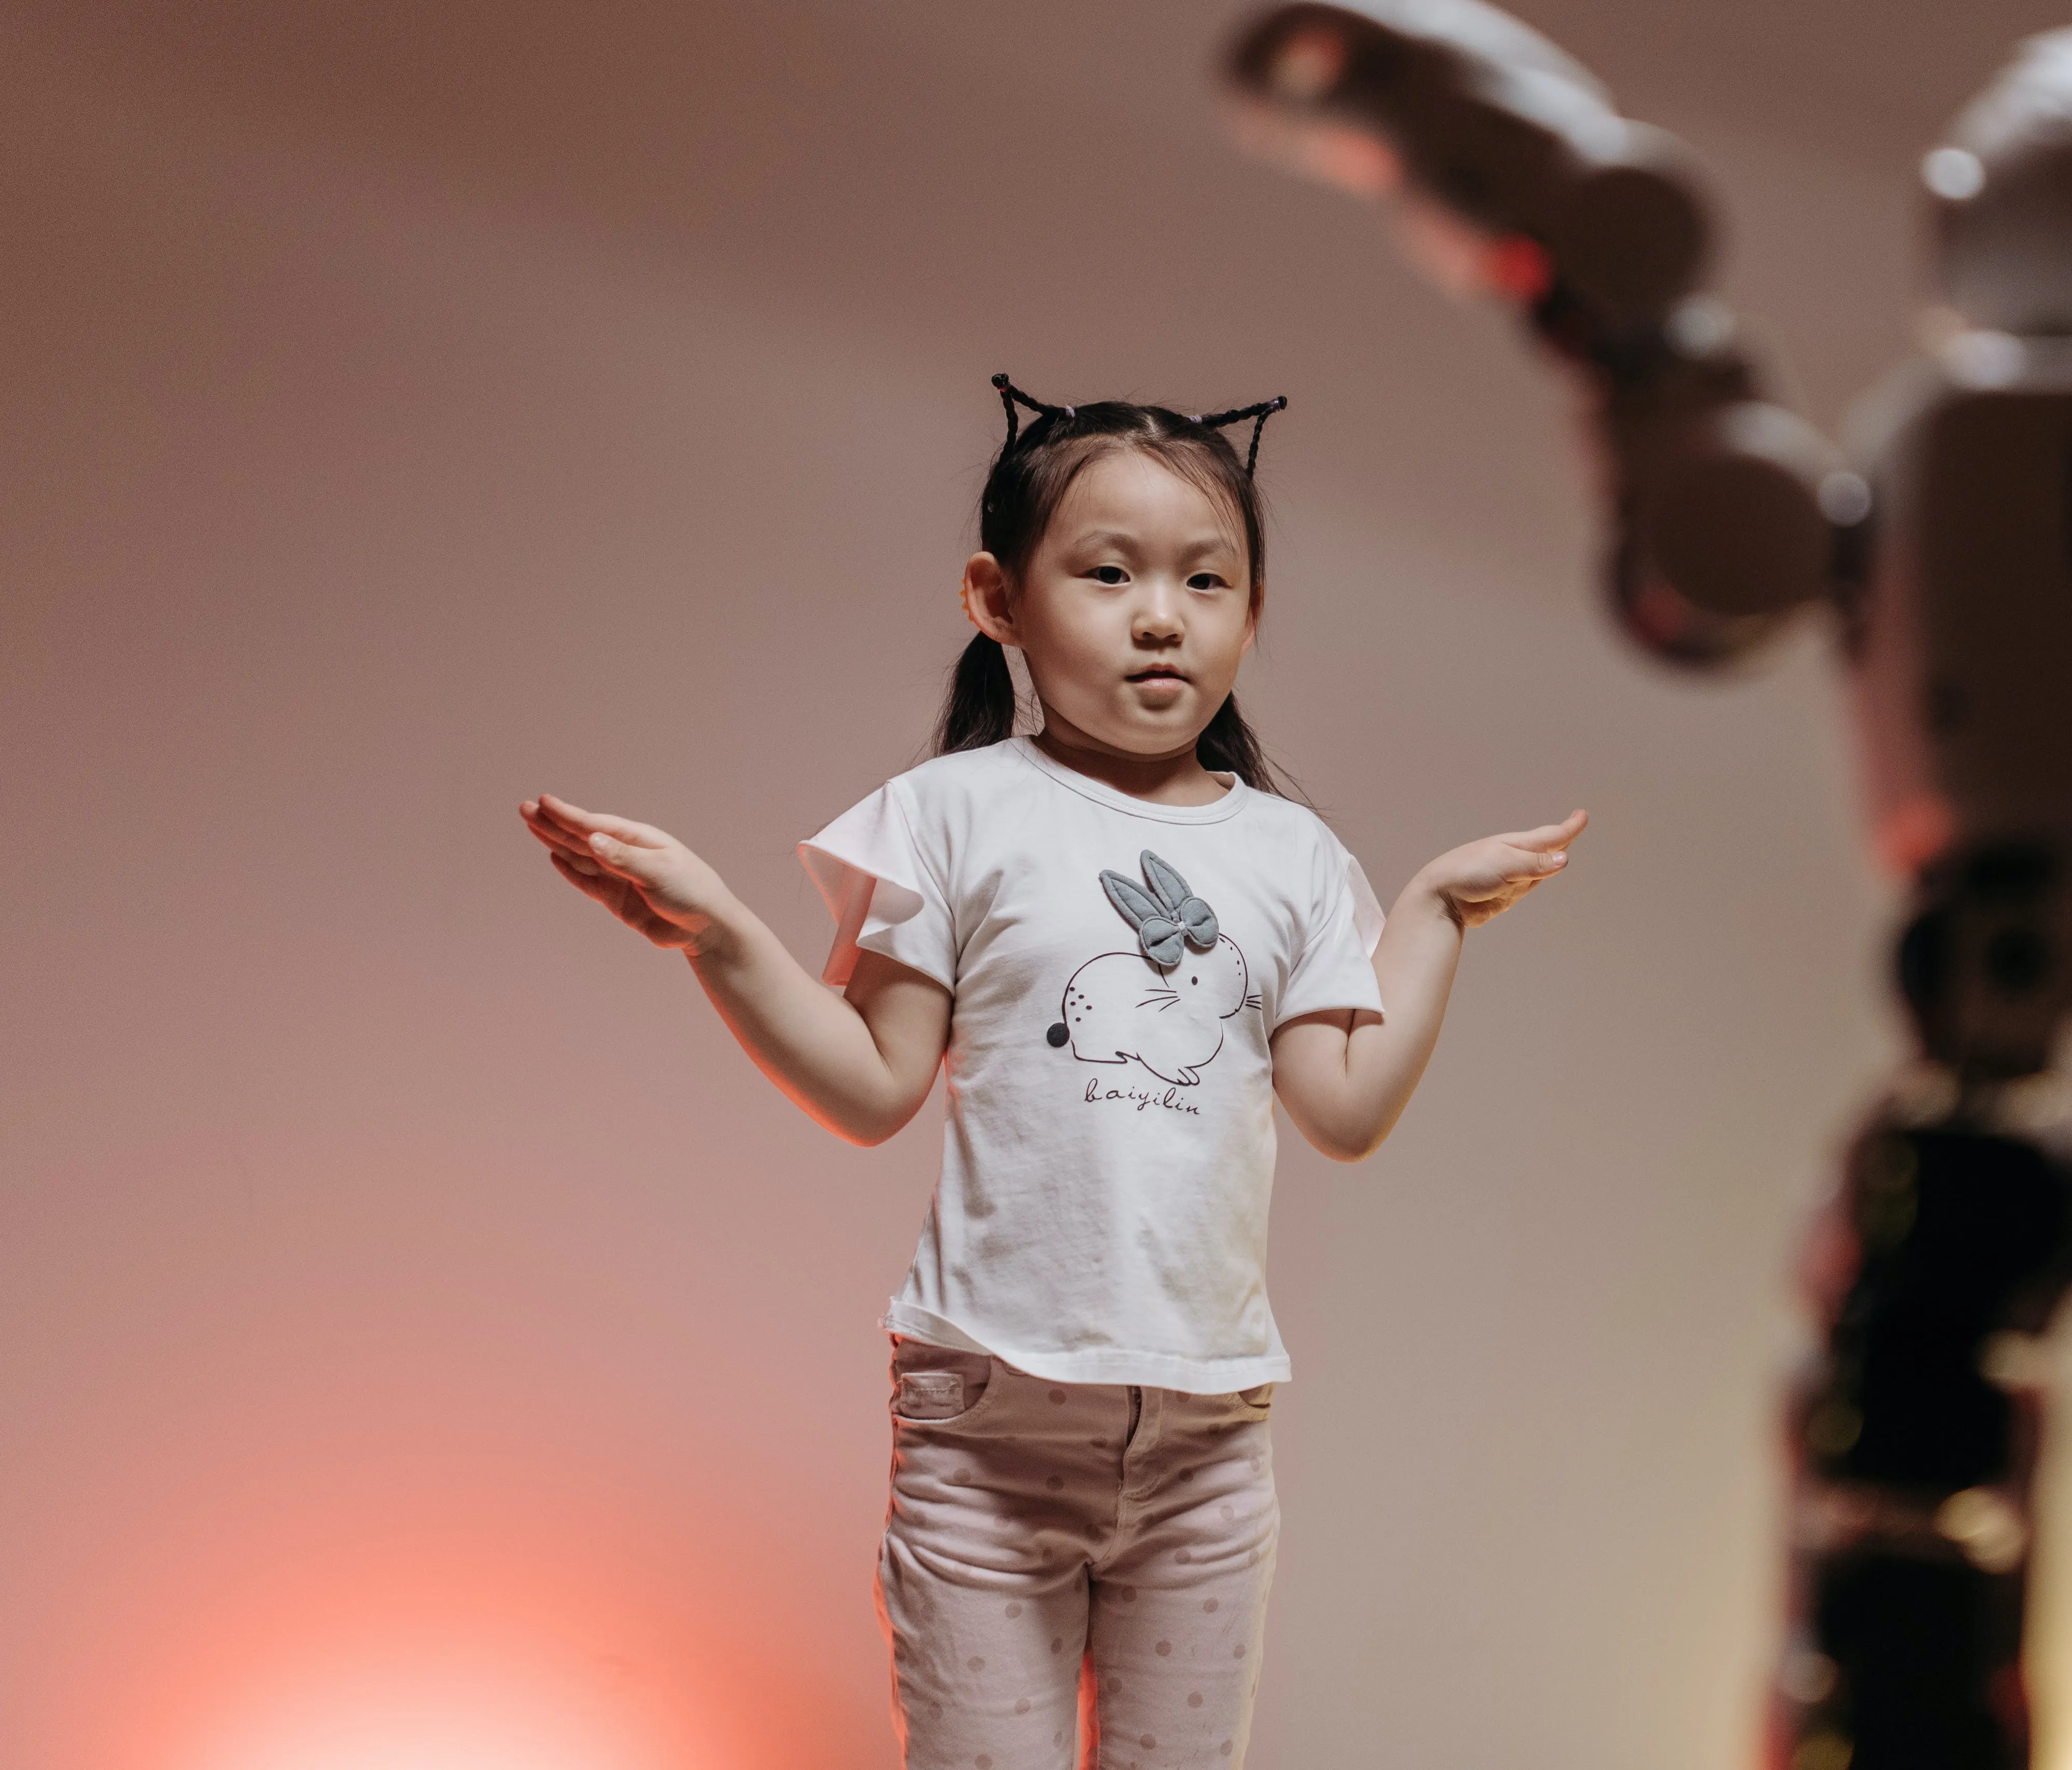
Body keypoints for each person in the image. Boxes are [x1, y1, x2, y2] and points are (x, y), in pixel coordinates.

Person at [519, 386, 1585, 1770]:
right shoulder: (955, 813)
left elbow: (1347, 1111)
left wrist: (1431, 914)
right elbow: (870, 1084)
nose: (1163, 617)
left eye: (1208, 580)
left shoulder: (1295, 856)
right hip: (985, 1430)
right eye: (1108, 573)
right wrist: (717, 933)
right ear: (997, 599)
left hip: (1208, 1442)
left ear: (1254, 613)